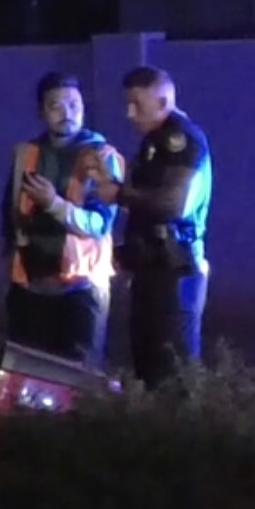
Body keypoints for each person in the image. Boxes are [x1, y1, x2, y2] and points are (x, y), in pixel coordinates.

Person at [90, 65, 214, 390]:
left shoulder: (181, 140)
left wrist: (119, 194)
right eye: (127, 104)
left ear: (163, 102)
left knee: (172, 374)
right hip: (152, 269)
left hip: (174, 272)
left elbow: (174, 204)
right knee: (148, 369)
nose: (129, 114)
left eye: (138, 105)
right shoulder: (153, 143)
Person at [0, 72, 125, 368]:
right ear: (41, 112)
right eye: (56, 106)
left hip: (81, 287)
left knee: (79, 376)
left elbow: (100, 224)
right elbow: (10, 211)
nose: (67, 113)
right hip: (31, 284)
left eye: (74, 104)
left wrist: (53, 204)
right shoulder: (26, 153)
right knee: (30, 376)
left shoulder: (101, 155)